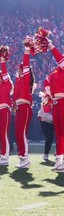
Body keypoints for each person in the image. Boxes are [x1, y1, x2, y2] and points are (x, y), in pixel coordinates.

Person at [12, 37, 35, 169]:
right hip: (19, 108)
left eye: (20, 69)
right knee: (17, 133)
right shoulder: (19, 81)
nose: (18, 70)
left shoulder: (25, 78)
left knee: (21, 133)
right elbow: (14, 96)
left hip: (25, 107)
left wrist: (26, 50)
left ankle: (25, 158)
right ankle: (22, 157)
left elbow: (26, 63)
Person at [46, 38, 64, 171]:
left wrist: (51, 46)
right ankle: (59, 159)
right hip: (56, 104)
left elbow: (59, 58)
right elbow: (49, 84)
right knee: (58, 133)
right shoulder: (54, 71)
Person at [0, 50, 13, 166]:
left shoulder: (7, 84)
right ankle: (3, 155)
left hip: (5, 111)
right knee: (0, 133)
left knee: (4, 133)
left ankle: (5, 156)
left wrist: (2, 62)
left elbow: (5, 73)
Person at [38, 76, 54, 161]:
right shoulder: (47, 97)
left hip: (52, 120)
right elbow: (45, 114)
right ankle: (46, 154)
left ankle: (59, 151)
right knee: (49, 137)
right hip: (45, 120)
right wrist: (56, 118)